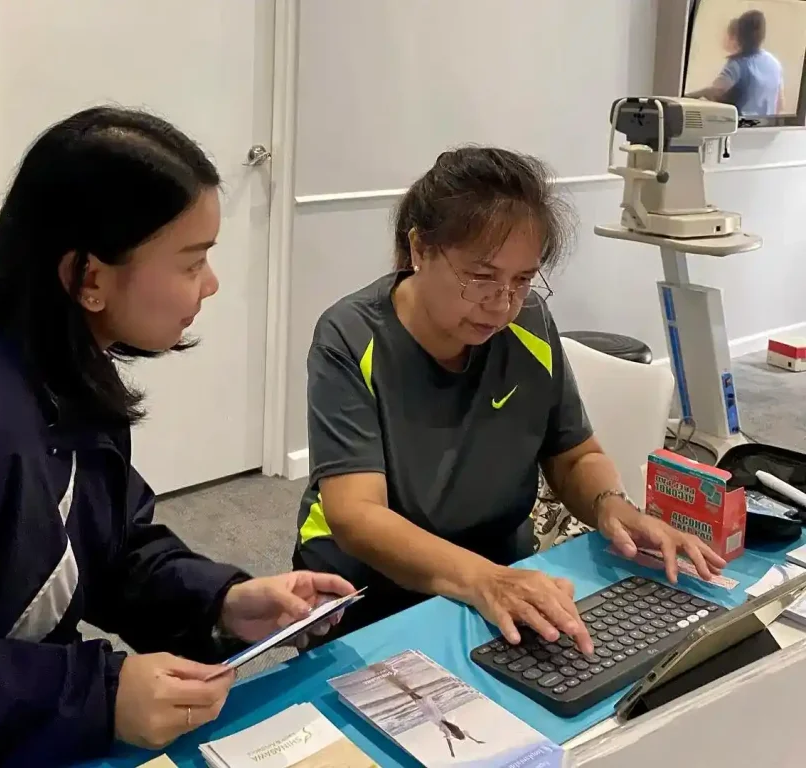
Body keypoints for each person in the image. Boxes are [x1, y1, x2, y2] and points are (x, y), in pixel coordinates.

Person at [0, 106, 355, 767]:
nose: (212, 284)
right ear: (88, 278)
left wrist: (220, 603)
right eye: (192, 262)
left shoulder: (67, 373)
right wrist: (98, 694)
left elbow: (103, 549)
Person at [291, 146, 726, 654]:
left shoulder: (529, 322)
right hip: (372, 594)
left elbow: (574, 453)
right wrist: (483, 581)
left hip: (501, 575)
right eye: (480, 277)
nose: (502, 305)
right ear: (420, 249)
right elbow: (356, 517)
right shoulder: (350, 336)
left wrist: (612, 506)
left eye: (522, 280)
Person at [688, 10, 784, 117]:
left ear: (737, 36)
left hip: (742, 128)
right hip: (767, 128)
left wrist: (684, 97)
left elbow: (713, 92)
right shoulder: (775, 63)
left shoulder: (737, 64)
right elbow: (780, 105)